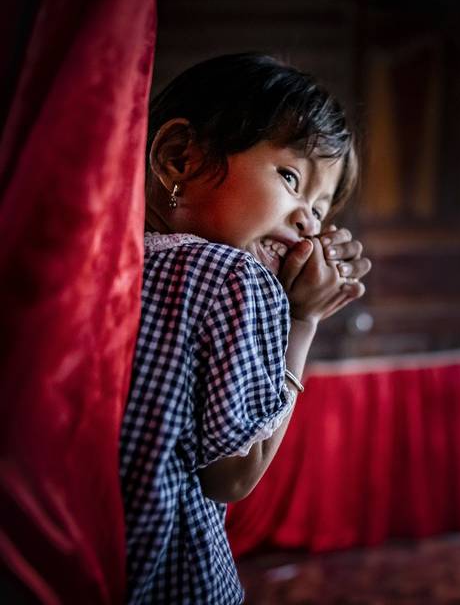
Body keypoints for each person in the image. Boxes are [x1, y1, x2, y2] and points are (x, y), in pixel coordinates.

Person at [120, 53, 372, 604]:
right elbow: (234, 476)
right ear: (178, 157)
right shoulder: (234, 277)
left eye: (321, 207)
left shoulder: (115, 261)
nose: (309, 218)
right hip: (175, 581)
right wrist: (302, 319)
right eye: (290, 177)